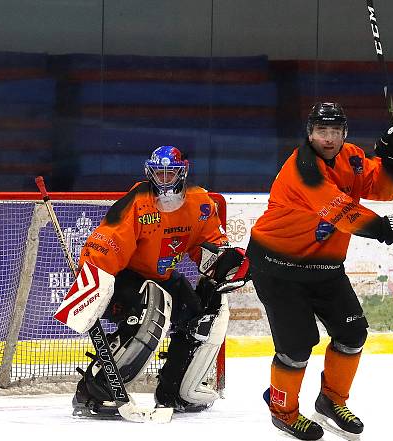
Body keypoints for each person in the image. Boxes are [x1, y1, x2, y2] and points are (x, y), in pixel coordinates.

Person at [248, 102, 393, 441]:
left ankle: (331, 401)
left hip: (325, 267)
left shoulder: (351, 157)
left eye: (336, 131)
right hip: (278, 267)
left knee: (352, 335)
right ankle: (284, 411)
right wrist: (388, 227)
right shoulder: (302, 171)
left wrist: (392, 159)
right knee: (295, 348)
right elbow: (344, 214)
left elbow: (385, 188)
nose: (329, 138)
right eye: (322, 131)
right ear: (310, 133)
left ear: (344, 134)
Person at [57, 146, 249, 418]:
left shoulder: (200, 202)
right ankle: (95, 390)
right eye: (159, 173)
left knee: (203, 314)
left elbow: (205, 244)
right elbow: (109, 241)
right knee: (150, 308)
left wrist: (223, 262)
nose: (164, 179)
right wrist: (94, 278)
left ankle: (176, 391)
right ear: (150, 173)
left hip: (163, 276)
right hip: (127, 277)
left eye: (170, 174)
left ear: (182, 173)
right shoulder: (138, 201)